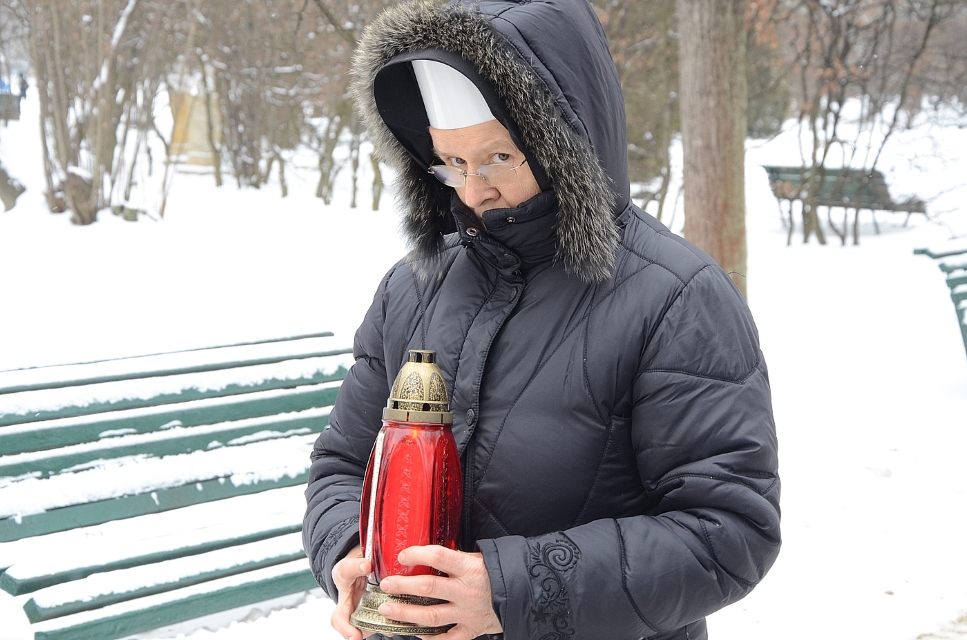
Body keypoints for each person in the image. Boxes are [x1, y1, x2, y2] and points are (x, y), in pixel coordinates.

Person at [303, 1, 781, 639]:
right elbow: (341, 463)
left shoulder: (677, 297)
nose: (473, 192)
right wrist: (350, 552)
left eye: (498, 157)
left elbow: (728, 532)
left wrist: (510, 590)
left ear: (563, 139)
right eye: (451, 162)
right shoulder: (413, 287)